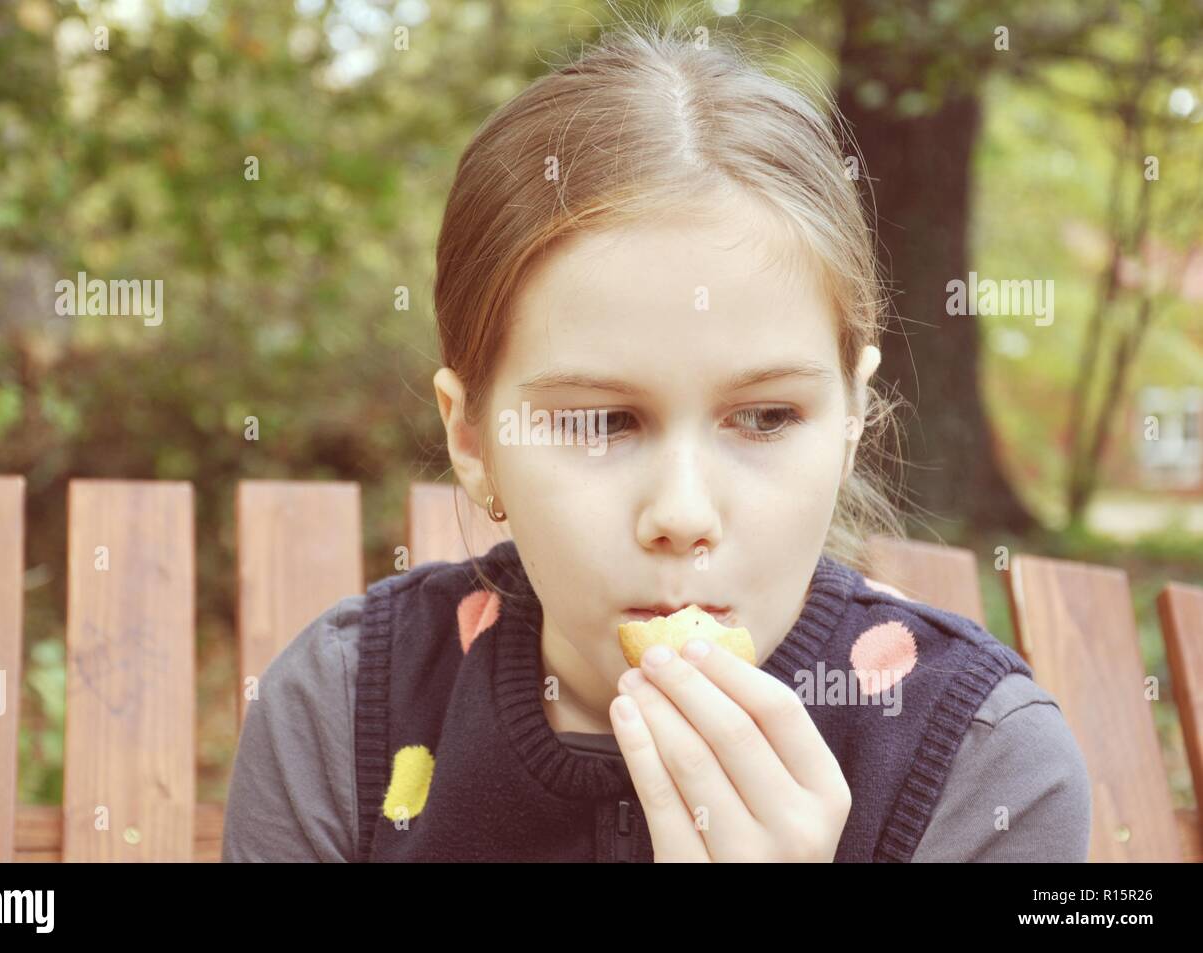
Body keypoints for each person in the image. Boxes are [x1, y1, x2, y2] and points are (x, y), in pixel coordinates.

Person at [222, 21, 1091, 863]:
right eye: (600, 421)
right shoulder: (342, 713)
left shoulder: (980, 762)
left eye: (765, 416)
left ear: (853, 418)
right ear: (471, 435)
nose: (681, 513)